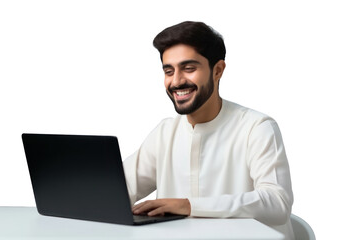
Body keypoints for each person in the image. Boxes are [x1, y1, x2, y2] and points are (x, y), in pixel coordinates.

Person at [123, 21, 294, 239]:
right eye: (168, 71)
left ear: (218, 70)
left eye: (189, 68)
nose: (176, 81)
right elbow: (117, 192)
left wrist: (188, 206)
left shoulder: (257, 128)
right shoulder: (165, 133)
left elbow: (277, 203)